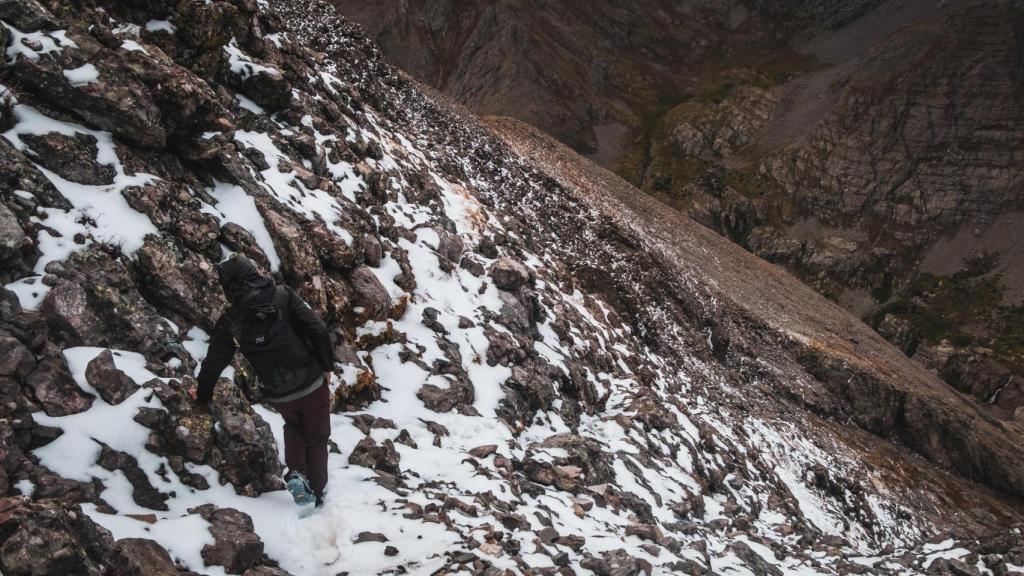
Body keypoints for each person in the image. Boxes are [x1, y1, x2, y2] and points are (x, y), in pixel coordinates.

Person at [191, 255, 335, 507]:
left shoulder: (229, 320)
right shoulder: (283, 294)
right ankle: (318, 495)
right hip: (311, 379)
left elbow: (214, 362)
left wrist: (202, 394)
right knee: (316, 437)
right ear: (253, 273)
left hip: (279, 392)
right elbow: (319, 330)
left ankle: (298, 473)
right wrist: (327, 366)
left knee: (293, 426)